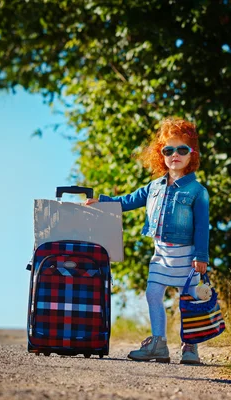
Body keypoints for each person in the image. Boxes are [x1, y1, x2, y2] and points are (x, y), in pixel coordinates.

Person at [85, 117, 209, 364]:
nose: (175, 154)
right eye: (168, 149)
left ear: (191, 154)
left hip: (187, 255)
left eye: (182, 149)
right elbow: (129, 200)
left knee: (190, 299)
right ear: (160, 154)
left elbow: (202, 226)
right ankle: (158, 343)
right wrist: (103, 201)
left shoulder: (197, 192)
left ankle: (190, 347)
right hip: (161, 253)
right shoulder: (153, 187)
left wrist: (201, 256)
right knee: (153, 293)